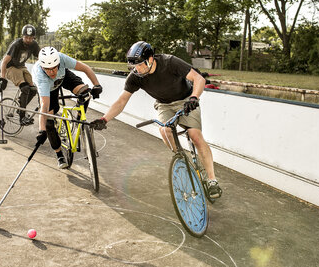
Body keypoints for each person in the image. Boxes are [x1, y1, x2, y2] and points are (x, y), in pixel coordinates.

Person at [89, 41, 222, 199]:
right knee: (165, 130)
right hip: (163, 104)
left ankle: (212, 180)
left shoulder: (169, 62)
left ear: (151, 59)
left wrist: (194, 98)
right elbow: (121, 101)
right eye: (134, 66)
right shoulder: (136, 77)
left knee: (195, 136)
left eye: (140, 65)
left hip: (186, 100)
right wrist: (104, 119)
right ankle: (181, 159)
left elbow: (199, 79)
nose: (137, 69)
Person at [32, 46, 103, 168]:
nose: (52, 72)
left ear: (58, 62)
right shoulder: (40, 76)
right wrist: (42, 130)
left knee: (85, 93)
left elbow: (86, 68)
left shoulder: (62, 59)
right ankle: (59, 155)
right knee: (49, 123)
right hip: (49, 89)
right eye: (48, 69)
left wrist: (97, 85)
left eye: (54, 67)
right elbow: (44, 105)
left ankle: (79, 122)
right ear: (42, 67)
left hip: (64, 77)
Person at [0, 24, 40, 126]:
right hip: (10, 67)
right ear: (22, 36)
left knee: (33, 90)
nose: (28, 40)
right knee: (25, 88)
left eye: (31, 38)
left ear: (33, 37)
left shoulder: (34, 45)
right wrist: (2, 79)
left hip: (21, 66)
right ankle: (22, 117)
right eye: (26, 37)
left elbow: (41, 58)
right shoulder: (16, 45)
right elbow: (4, 62)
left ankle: (20, 107)